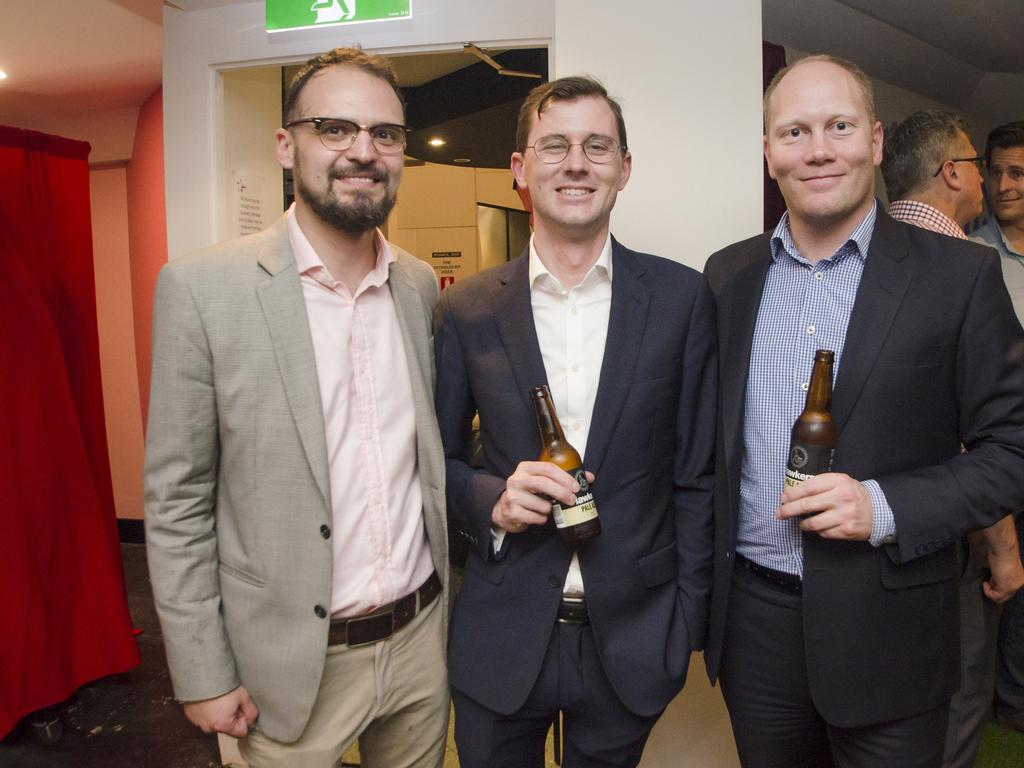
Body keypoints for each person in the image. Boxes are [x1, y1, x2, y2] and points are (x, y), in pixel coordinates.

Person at [703, 55, 1024, 768]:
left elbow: (1014, 452)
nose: (817, 149)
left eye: (839, 126)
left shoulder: (959, 277)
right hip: (756, 630)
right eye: (794, 132)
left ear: (875, 142)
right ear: (767, 152)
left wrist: (881, 506)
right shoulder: (728, 276)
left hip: (895, 628)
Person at [144, 47, 449, 768]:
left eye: (385, 134)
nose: (363, 152)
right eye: (335, 128)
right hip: (281, 667)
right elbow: (177, 499)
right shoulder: (202, 289)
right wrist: (202, 671)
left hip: (419, 646)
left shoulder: (418, 288)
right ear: (288, 145)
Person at [435, 76, 715, 768]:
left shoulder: (682, 298)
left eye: (597, 146)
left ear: (625, 167)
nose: (576, 163)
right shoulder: (466, 309)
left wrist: (686, 620)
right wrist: (490, 502)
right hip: (500, 632)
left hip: (632, 638)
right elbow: (430, 462)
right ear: (520, 169)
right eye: (554, 145)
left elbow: (698, 474)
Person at [882, 109, 1024, 768]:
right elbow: (977, 434)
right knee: (963, 691)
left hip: (871, 523)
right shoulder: (968, 268)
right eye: (978, 164)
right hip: (952, 524)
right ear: (952, 173)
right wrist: (1004, 546)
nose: (992, 182)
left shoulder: (860, 252)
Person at [971, 120, 1024, 731]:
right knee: (1000, 580)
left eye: (1017, 172)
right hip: (999, 447)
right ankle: (1003, 703)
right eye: (995, 171)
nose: (1003, 184)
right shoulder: (975, 256)